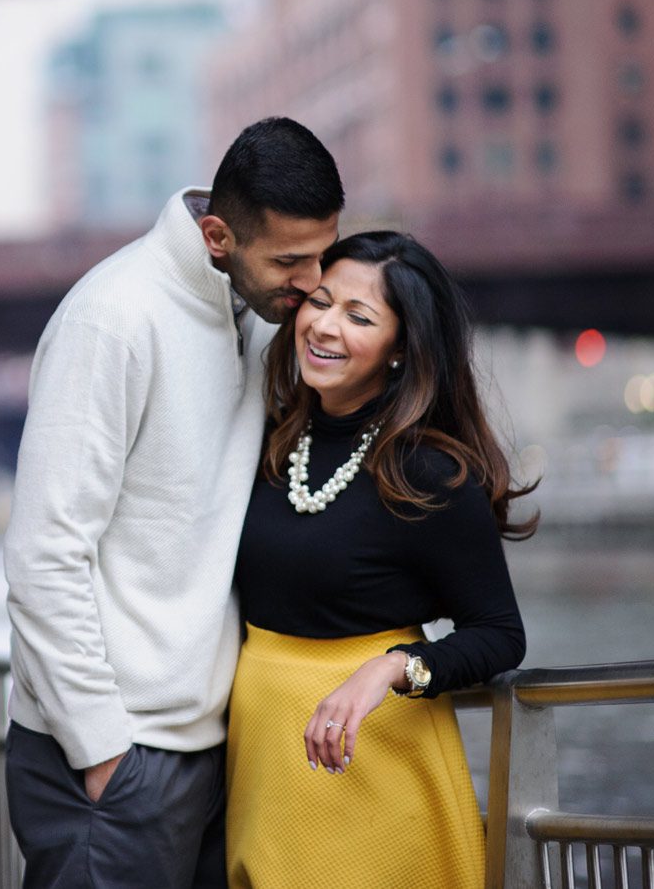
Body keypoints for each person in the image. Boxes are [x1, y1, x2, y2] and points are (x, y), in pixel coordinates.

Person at [3, 117, 344, 889]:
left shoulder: (259, 316)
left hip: (213, 748)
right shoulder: (112, 318)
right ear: (218, 235)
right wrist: (102, 754)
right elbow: (43, 553)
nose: (314, 278)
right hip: (113, 760)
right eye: (290, 259)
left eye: (322, 252)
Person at [227, 231, 536, 889]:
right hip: (264, 768)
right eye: (320, 300)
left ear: (400, 348)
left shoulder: (427, 472)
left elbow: (501, 634)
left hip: (379, 767)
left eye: (358, 316)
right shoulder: (269, 442)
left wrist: (393, 666)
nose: (325, 325)